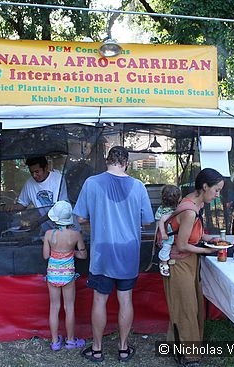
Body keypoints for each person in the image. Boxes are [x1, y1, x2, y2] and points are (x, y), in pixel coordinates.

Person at [73, 146, 154, 363]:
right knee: (125, 298)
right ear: (126, 163)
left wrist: (98, 218)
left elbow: (80, 218)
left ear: (107, 161)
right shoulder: (138, 186)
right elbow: (147, 220)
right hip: (129, 250)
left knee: (99, 300)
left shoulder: (92, 183)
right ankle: (123, 348)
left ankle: (97, 349)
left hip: (103, 251)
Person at [163, 168, 224, 366]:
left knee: (190, 305)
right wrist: (207, 251)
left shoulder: (194, 201)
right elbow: (181, 244)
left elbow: (193, 235)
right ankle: (189, 357)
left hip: (188, 260)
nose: (217, 195)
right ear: (205, 187)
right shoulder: (189, 210)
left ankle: (178, 348)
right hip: (179, 262)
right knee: (186, 308)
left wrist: (209, 239)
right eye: (216, 190)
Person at [43, 200, 87, 351]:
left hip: (52, 274)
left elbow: (45, 256)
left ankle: (55, 342)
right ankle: (70, 341)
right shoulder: (75, 235)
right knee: (69, 307)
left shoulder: (49, 234)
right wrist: (70, 252)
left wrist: (56, 253)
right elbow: (83, 255)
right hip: (68, 274)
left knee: (54, 307)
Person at [4, 156, 69, 231]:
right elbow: (22, 204)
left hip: (65, 228)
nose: (34, 175)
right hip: (48, 230)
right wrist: (11, 208)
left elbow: (58, 208)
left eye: (37, 172)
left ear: (46, 168)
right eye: (31, 172)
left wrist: (38, 222)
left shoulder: (58, 179)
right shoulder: (29, 183)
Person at [155, 185, 182, 277]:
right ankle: (163, 262)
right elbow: (160, 221)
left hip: (174, 232)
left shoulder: (177, 208)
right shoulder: (163, 210)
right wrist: (163, 233)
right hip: (167, 233)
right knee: (166, 247)